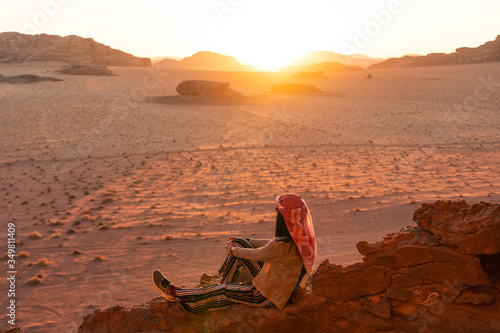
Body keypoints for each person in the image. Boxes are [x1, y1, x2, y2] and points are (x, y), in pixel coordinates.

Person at [152, 193, 317, 313]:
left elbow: (258, 254)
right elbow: (269, 245)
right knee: (239, 243)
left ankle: (173, 292)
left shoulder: (282, 246)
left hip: (263, 295)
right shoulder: (297, 239)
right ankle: (224, 282)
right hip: (271, 283)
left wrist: (233, 250)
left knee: (223, 290)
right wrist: (243, 240)